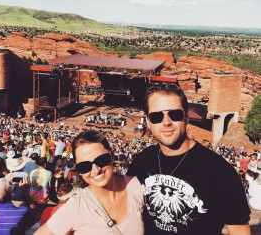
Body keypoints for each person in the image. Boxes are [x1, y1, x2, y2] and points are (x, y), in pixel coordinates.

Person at [127, 82, 251, 235]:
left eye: (175, 114)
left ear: (186, 117)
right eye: (157, 116)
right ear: (147, 121)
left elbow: (239, 230)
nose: (166, 122)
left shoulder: (220, 171)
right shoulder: (141, 162)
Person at [35, 130, 144, 235]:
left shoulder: (136, 186)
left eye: (101, 160)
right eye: (84, 166)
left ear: (111, 157)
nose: (96, 170)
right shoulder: (76, 205)